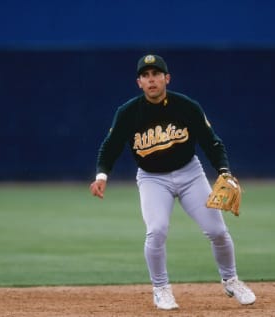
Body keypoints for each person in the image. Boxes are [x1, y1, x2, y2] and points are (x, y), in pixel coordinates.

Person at [89, 54, 256, 310]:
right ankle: (161, 289)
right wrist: (102, 176)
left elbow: (211, 141)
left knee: (218, 231)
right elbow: (110, 146)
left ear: (167, 78)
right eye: (145, 75)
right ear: (139, 83)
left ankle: (231, 279)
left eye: (156, 74)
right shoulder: (128, 112)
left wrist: (223, 171)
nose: (151, 79)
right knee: (156, 230)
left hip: (190, 174)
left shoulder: (186, 106)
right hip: (152, 179)